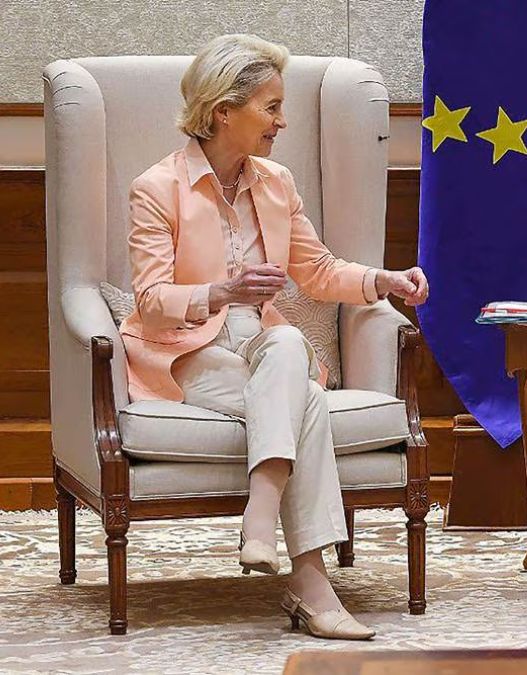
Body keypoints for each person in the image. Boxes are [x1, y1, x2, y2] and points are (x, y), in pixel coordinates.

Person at [120, 33, 429, 640]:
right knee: (305, 399)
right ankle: (311, 587)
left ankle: (260, 518)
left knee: (287, 346)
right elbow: (151, 304)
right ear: (223, 111)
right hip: (186, 349)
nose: (282, 122)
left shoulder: (276, 182)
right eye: (271, 107)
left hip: (262, 342)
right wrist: (223, 292)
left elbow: (317, 270)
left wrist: (384, 281)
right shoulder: (156, 188)